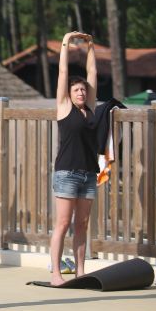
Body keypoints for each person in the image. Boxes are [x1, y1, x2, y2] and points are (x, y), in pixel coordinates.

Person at [50, 31, 98, 286]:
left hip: (89, 173)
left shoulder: (89, 109)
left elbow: (92, 74)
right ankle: (56, 272)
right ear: (70, 93)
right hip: (67, 173)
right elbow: (62, 74)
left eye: (83, 90)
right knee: (63, 223)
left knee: (82, 224)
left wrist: (90, 46)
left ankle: (80, 270)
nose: (81, 92)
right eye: (77, 90)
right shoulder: (64, 107)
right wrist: (67, 41)